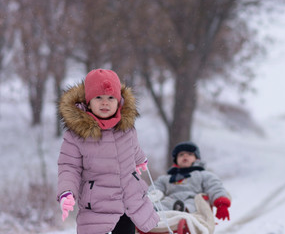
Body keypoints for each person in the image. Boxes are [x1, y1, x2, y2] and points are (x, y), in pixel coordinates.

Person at [57, 69, 159, 234]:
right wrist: (66, 192)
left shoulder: (126, 127)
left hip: (128, 202)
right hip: (97, 207)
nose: (105, 103)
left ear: (119, 101)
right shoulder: (76, 135)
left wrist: (140, 159)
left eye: (111, 98)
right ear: (88, 102)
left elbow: (133, 147)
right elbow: (69, 167)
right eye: (99, 98)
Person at [149, 141, 231, 221]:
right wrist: (149, 198)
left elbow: (214, 186)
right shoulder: (166, 178)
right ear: (176, 160)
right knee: (162, 205)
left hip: (193, 200)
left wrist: (221, 204)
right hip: (170, 200)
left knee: (191, 205)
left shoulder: (203, 175)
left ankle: (182, 211)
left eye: (190, 154)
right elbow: (155, 188)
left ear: (196, 159)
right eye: (181, 155)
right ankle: (150, 212)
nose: (185, 156)